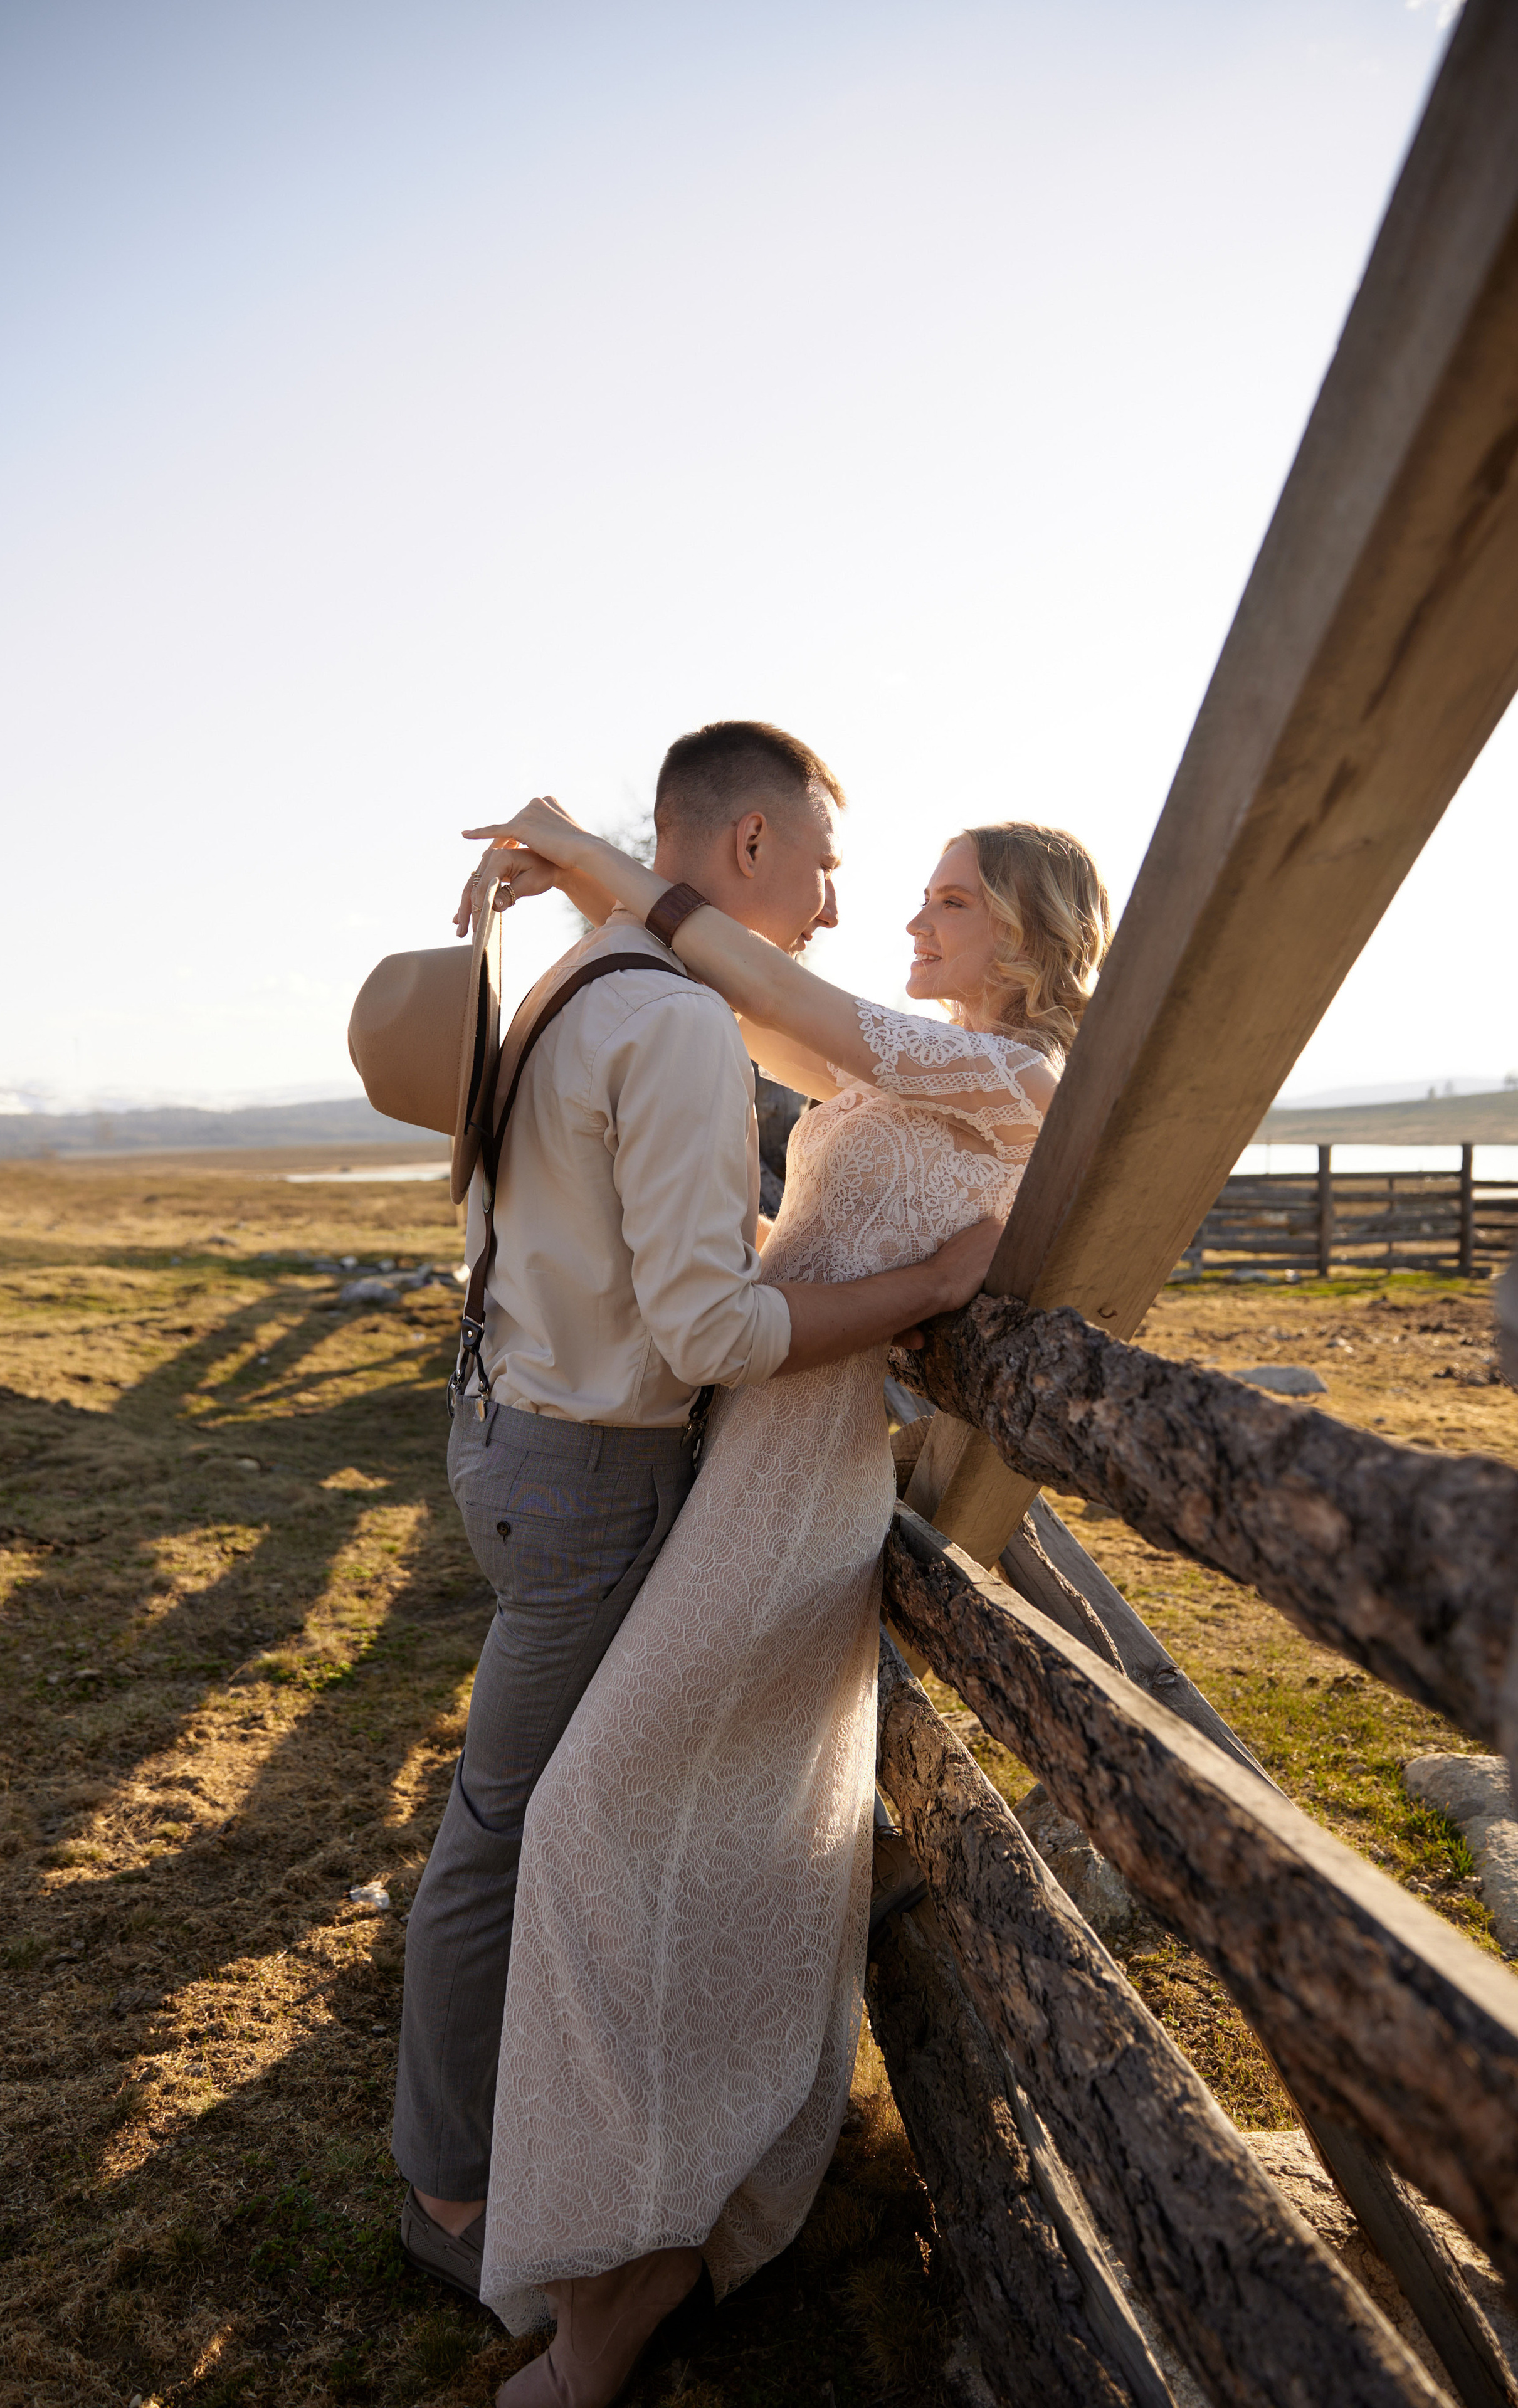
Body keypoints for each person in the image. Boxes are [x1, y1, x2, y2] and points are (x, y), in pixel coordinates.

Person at [460, 783, 1110, 2405]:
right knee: (652, 1832)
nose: (910, 922)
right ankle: (641, 2239)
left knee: (592, 1821)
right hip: (740, 1461)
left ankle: (649, 2261)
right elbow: (760, 1044)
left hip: (798, 1496)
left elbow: (785, 999)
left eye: (948, 904)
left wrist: (590, 855)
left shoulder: (1015, 1078)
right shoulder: (929, 1074)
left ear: (1023, 938)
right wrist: (577, 914)